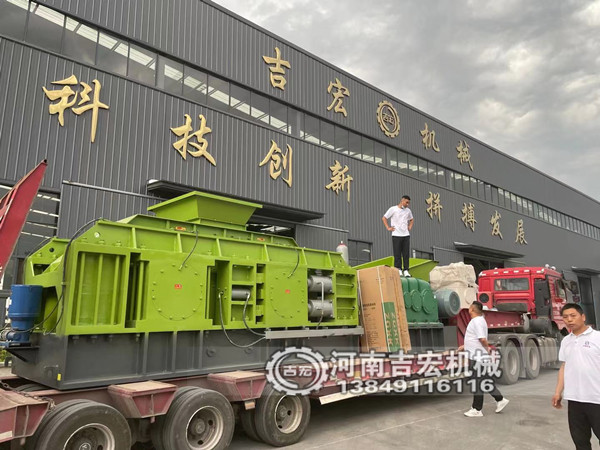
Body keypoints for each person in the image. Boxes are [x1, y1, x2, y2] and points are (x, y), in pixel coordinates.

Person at [552, 303, 600, 450]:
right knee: (580, 442)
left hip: (596, 398)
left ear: (583, 317)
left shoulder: (597, 337)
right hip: (575, 400)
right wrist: (558, 392)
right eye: (565, 317)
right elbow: (564, 366)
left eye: (573, 316)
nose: (569, 320)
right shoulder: (566, 341)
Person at [458, 301, 509, 417]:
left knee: (477, 383)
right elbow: (475, 339)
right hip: (477, 357)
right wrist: (465, 346)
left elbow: (482, 339)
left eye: (470, 307)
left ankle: (477, 409)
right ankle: (500, 399)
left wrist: (487, 348)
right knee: (484, 381)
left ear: (472, 309)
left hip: (478, 358)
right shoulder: (477, 321)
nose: (469, 308)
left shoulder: (477, 321)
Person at [382, 195, 413, 277]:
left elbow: (411, 219)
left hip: (406, 234)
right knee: (397, 253)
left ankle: (406, 270)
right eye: (406, 202)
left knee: (406, 253)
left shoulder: (408, 211)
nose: (407, 204)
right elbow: (384, 218)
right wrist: (388, 227)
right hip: (396, 234)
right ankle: (398, 269)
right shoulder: (393, 209)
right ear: (402, 201)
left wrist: (410, 226)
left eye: (408, 203)